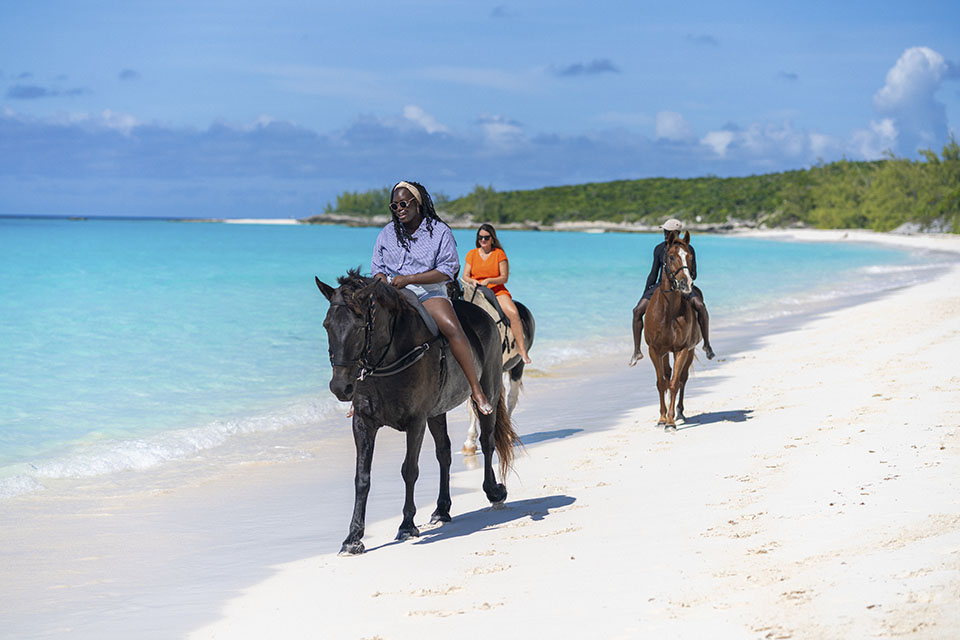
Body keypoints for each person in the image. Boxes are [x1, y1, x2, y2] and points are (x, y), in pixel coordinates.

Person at [371, 180, 494, 415]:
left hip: (429, 292)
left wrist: (410, 279)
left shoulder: (439, 232)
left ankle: (476, 390)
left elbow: (447, 270)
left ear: (417, 203)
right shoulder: (387, 233)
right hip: (393, 293)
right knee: (364, 328)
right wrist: (382, 281)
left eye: (404, 204)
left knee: (452, 328)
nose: (399, 209)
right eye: (394, 206)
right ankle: (361, 391)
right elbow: (377, 266)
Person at [628, 218, 715, 366]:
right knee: (637, 311)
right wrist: (645, 294)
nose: (665, 233)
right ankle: (637, 350)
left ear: (675, 232)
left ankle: (706, 344)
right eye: (665, 231)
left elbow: (694, 273)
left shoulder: (688, 249)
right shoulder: (659, 249)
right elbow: (653, 273)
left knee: (700, 306)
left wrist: (685, 279)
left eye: (667, 231)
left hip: (684, 284)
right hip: (662, 285)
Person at [462, 223, 532, 364]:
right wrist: (473, 281)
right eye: (480, 237)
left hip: (497, 291)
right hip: (477, 291)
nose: (483, 240)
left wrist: (489, 280)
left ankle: (522, 350)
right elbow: (465, 276)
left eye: (486, 237)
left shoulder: (499, 254)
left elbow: (504, 278)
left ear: (492, 239)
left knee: (513, 313)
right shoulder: (472, 254)